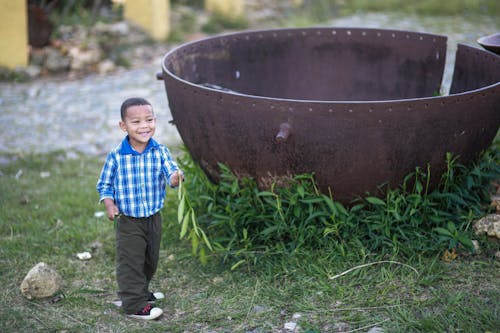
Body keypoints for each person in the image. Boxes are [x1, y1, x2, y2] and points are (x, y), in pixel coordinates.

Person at [96, 97, 183, 320]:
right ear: (123, 126)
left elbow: (170, 173)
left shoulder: (160, 151)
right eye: (136, 122)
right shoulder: (117, 156)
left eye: (149, 119)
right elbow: (104, 184)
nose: (144, 126)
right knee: (131, 260)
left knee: (149, 258)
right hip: (128, 219)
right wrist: (109, 204)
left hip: (153, 217)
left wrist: (175, 178)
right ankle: (134, 305)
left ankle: (139, 291)